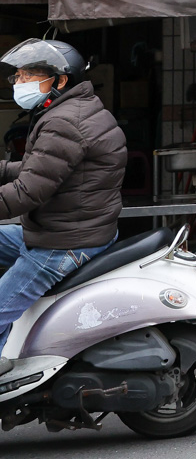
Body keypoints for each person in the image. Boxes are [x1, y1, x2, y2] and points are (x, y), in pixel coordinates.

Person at [0, 39, 125, 375]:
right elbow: (38, 168)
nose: (20, 83)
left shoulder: (64, 122)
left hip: (65, 243)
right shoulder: (70, 111)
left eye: (29, 75)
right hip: (61, 229)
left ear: (60, 80)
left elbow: (28, 191)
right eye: (19, 76)